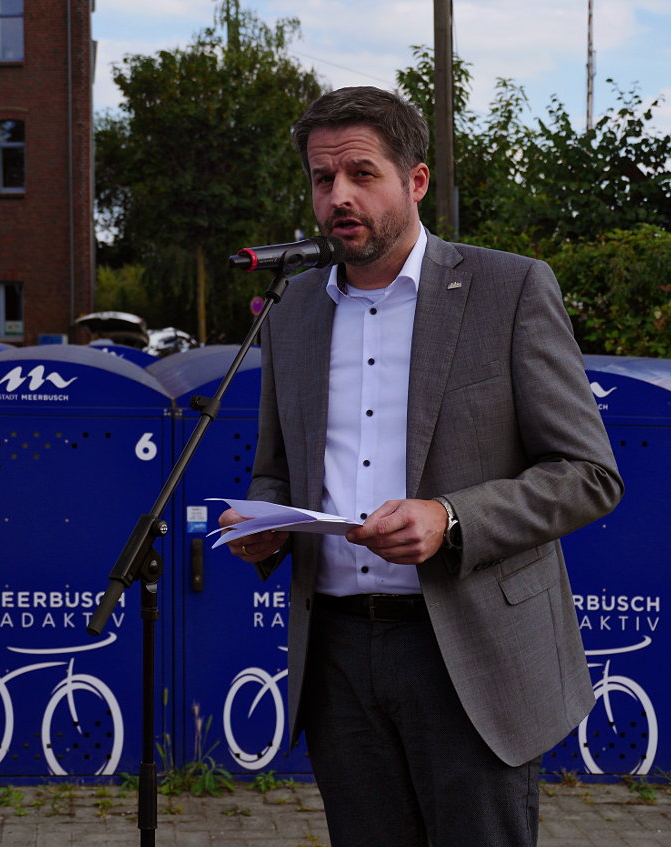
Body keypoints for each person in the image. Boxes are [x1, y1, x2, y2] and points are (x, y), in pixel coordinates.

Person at [218, 86, 623, 847]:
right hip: (336, 656)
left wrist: (451, 517)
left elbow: (588, 472)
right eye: (321, 179)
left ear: (417, 181)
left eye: (361, 173)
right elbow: (275, 468)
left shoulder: (509, 289)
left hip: (469, 655)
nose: (338, 196)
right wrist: (265, 520)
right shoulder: (293, 309)